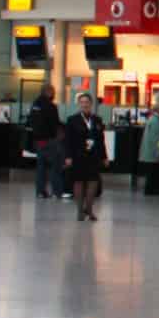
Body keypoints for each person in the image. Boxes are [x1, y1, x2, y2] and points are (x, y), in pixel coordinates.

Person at [62, 91, 105, 222]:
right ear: (79, 104)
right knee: (79, 182)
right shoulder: (72, 120)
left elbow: (100, 140)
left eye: (87, 102)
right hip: (78, 155)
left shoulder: (97, 120)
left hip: (93, 156)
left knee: (93, 182)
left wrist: (104, 156)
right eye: (82, 102)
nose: (85, 105)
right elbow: (68, 140)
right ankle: (80, 210)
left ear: (91, 104)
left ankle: (89, 208)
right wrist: (68, 156)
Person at [27, 87, 63, 199]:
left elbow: (31, 121)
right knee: (54, 165)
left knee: (41, 167)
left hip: (38, 140)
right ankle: (57, 191)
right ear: (49, 92)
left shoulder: (34, 105)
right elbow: (55, 123)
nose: (54, 94)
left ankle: (40, 191)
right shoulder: (51, 106)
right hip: (49, 140)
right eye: (53, 92)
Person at [136, 98, 159, 197]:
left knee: (150, 172)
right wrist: (158, 152)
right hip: (152, 152)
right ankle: (151, 190)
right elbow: (155, 139)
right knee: (153, 172)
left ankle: (150, 189)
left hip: (148, 151)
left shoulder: (152, 119)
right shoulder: (156, 121)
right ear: (158, 110)